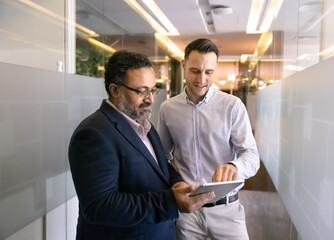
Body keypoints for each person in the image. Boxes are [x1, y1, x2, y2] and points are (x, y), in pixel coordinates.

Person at [68, 50, 214, 240]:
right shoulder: (93, 134)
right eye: (142, 91)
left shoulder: (143, 124)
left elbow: (159, 166)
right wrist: (170, 202)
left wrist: (177, 183)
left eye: (153, 90)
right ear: (115, 90)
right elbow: (100, 206)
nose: (150, 99)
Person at [157, 38, 260, 240]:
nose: (201, 78)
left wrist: (235, 166)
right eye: (195, 70)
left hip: (227, 210)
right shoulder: (168, 109)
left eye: (208, 72)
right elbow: (162, 158)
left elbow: (252, 156)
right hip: (187, 212)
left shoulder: (233, 106)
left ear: (215, 69)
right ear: (184, 65)